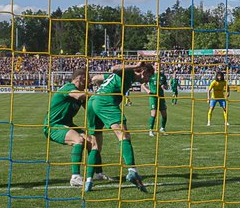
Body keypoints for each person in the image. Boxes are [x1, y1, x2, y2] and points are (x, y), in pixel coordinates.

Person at [84, 62, 155, 192]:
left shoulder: (125, 76)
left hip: (93, 101)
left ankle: (88, 181)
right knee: (123, 135)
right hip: (106, 102)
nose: (148, 80)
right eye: (149, 77)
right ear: (144, 72)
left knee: (95, 144)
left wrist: (102, 87)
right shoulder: (128, 72)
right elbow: (114, 68)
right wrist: (135, 66)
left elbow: (95, 78)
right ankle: (132, 171)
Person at [39, 67, 102, 189]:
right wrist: (100, 93)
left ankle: (99, 173)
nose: (88, 83)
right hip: (53, 125)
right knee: (79, 140)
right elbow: (78, 96)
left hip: (67, 124)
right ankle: (75, 177)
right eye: (86, 80)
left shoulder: (81, 93)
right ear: (79, 79)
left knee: (93, 142)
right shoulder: (69, 88)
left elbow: (90, 107)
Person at [147, 67, 170, 136]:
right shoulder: (151, 75)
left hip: (161, 97)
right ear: (154, 67)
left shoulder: (163, 76)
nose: (157, 67)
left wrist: (164, 86)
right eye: (156, 65)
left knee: (164, 114)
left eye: (159, 65)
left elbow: (167, 87)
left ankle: (162, 128)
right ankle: (151, 130)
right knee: (154, 114)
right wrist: (147, 90)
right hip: (153, 97)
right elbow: (142, 85)